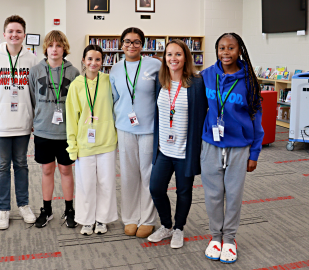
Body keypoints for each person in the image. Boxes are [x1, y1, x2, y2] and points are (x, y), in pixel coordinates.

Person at [201, 33, 264, 263]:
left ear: (240, 51)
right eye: (221, 48)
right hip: (211, 144)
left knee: (234, 195)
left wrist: (254, 153)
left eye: (230, 48)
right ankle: (215, 237)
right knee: (213, 195)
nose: (225, 52)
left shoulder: (249, 80)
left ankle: (229, 239)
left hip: (239, 147)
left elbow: (256, 118)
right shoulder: (207, 75)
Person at [0, 15, 39, 230]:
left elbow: (34, 93)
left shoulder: (31, 59)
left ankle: (23, 205)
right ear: (4, 34)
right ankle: (3, 209)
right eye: (11, 31)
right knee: (2, 167)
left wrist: (34, 118)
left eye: (19, 31)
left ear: (24, 35)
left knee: (21, 165)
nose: (14, 35)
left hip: (23, 123)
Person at [147, 40, 208, 248]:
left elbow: (203, 115)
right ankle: (166, 225)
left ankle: (179, 228)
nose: (173, 58)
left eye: (178, 54)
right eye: (169, 54)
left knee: (183, 191)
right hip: (163, 149)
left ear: (186, 57)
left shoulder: (197, 83)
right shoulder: (160, 81)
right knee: (155, 188)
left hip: (185, 151)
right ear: (164, 58)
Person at [110, 27, 161, 238]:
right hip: (124, 128)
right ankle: (130, 218)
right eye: (128, 41)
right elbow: (113, 99)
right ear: (121, 44)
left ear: (143, 45)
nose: (132, 45)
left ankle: (147, 219)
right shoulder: (115, 69)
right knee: (129, 175)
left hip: (148, 129)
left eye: (137, 42)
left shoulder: (155, 65)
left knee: (148, 175)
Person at [28, 30, 80, 229]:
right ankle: (47, 209)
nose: (54, 49)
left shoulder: (74, 72)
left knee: (66, 170)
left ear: (64, 48)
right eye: (51, 45)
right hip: (43, 131)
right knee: (47, 170)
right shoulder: (35, 71)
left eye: (58, 45)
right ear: (46, 48)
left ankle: (69, 210)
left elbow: (77, 102)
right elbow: (33, 99)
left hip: (66, 132)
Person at [66, 45, 118, 235]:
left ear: (102, 61)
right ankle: (87, 220)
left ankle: (102, 219)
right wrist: (72, 146)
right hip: (84, 144)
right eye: (90, 59)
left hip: (106, 142)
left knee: (106, 183)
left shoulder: (109, 81)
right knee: (85, 183)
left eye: (97, 59)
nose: (93, 63)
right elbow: (71, 118)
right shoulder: (76, 85)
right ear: (83, 60)